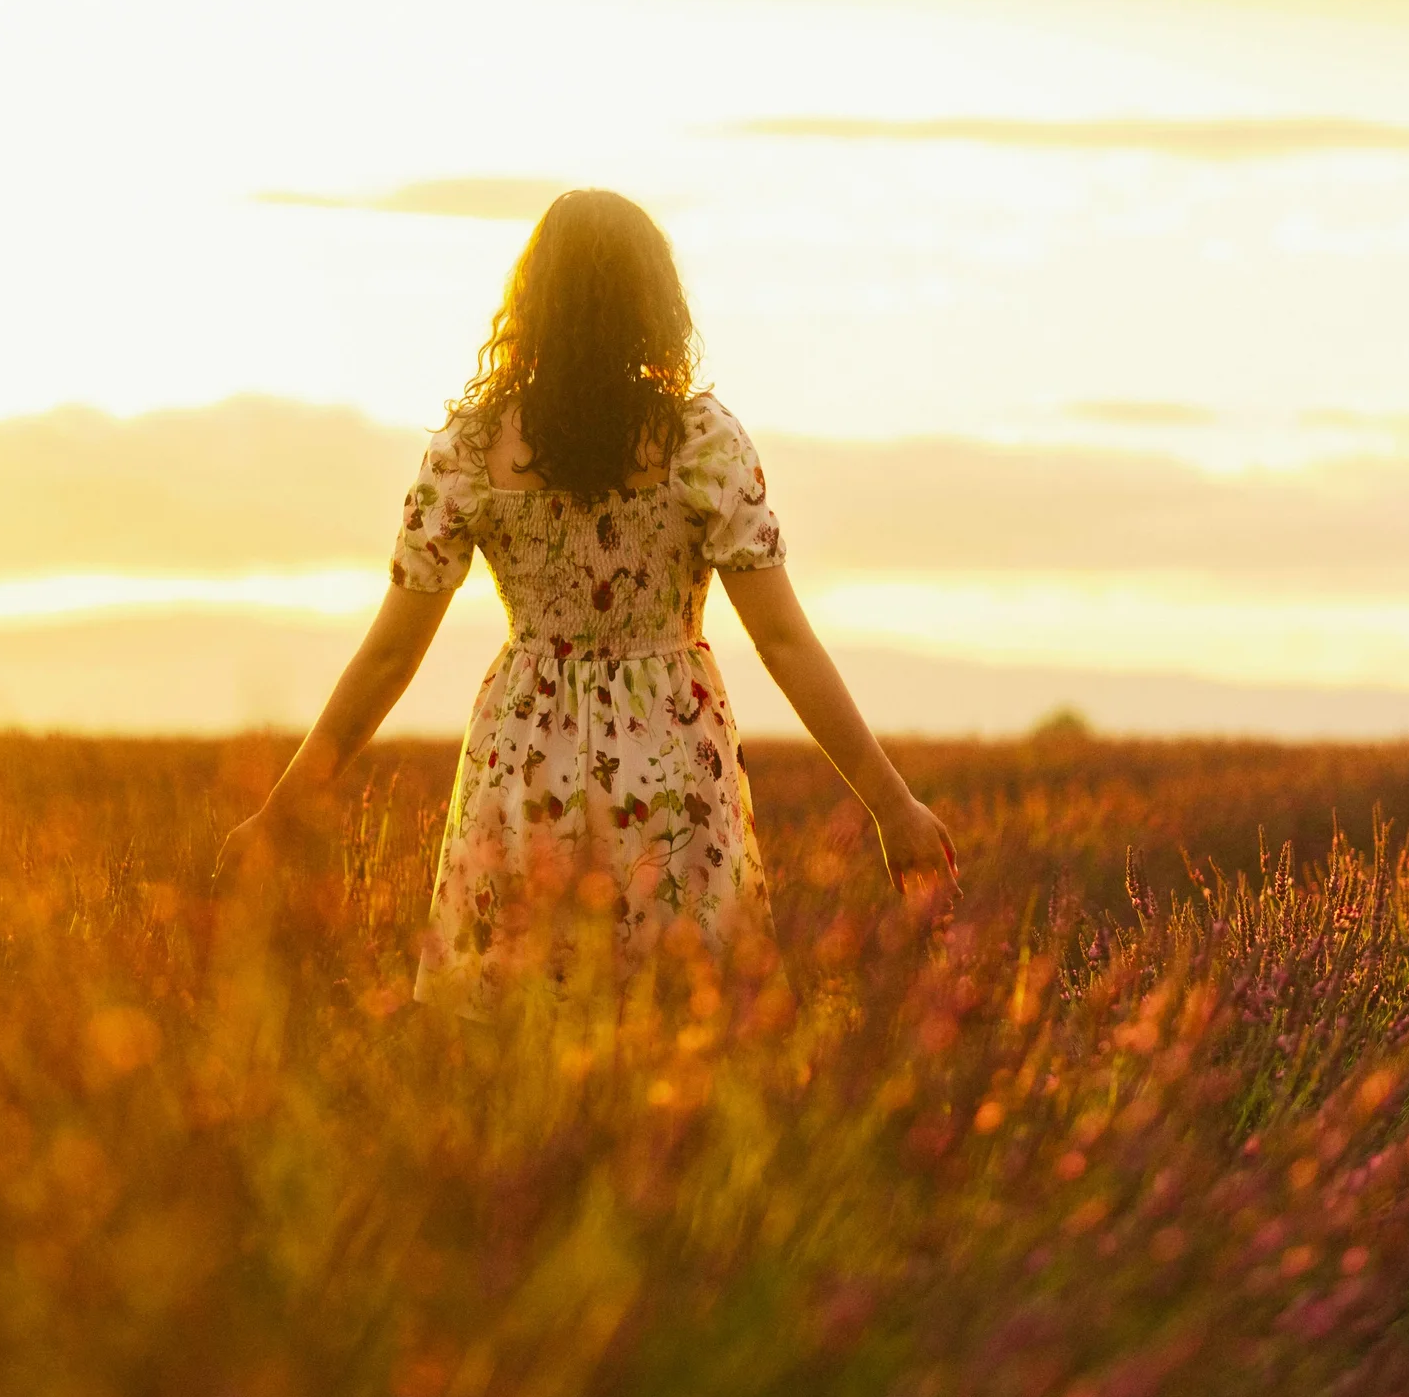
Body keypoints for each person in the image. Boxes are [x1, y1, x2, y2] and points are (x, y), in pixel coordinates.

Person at [215, 190, 955, 1012]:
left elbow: (390, 654)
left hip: (521, 767)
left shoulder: (468, 450)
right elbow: (784, 642)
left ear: (530, 303)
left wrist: (282, 812)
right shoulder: (702, 441)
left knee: (510, 1049)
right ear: (656, 304)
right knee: (686, 1041)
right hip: (673, 768)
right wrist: (891, 804)